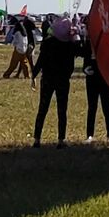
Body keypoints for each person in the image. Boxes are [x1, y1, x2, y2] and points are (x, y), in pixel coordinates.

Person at [32, 18, 78, 146]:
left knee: (43, 108)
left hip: (47, 78)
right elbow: (71, 64)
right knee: (62, 110)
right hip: (62, 80)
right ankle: (61, 139)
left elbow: (41, 60)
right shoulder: (70, 45)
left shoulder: (47, 43)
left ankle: (37, 139)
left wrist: (34, 74)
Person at [83, 37, 109, 144]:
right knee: (92, 106)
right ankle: (89, 135)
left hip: (103, 76)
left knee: (106, 106)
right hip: (91, 77)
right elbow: (85, 60)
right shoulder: (88, 42)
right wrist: (85, 69)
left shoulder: (106, 42)